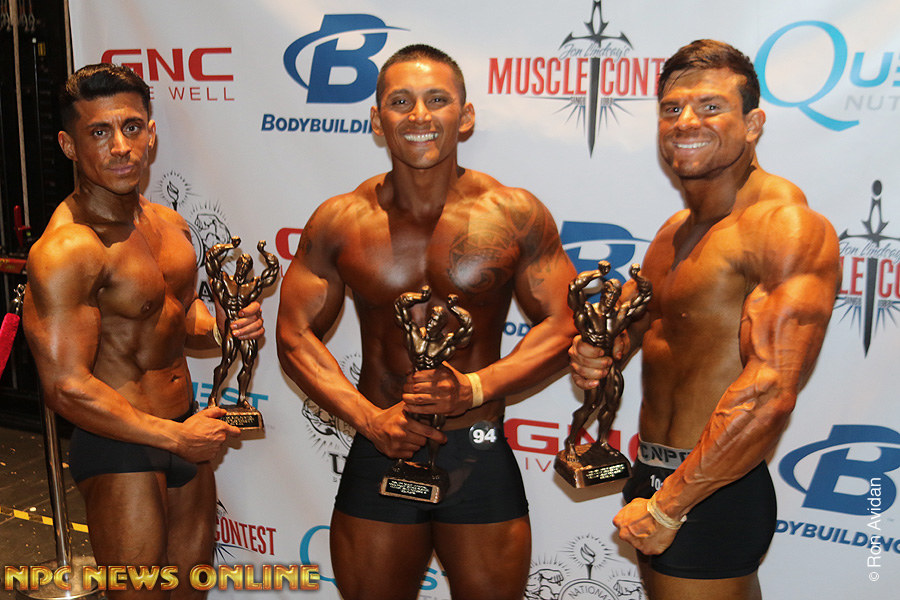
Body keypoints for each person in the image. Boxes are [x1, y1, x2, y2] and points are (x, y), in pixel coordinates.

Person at [276, 44, 576, 600]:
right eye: (401, 102)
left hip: (478, 445)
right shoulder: (341, 220)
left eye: (437, 100)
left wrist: (473, 388)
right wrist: (369, 421)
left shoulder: (514, 213)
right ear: (377, 120)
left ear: (465, 116)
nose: (419, 115)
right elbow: (293, 336)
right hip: (382, 444)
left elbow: (564, 324)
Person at [568, 40, 840, 600]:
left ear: (753, 124)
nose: (686, 121)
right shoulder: (674, 232)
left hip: (708, 487)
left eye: (711, 107)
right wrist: (597, 353)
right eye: (672, 108)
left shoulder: (783, 225)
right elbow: (635, 334)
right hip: (653, 472)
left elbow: (769, 395)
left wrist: (670, 506)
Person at [22, 63, 264, 599]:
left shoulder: (169, 226)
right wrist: (174, 437)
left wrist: (224, 329)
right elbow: (65, 387)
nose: (120, 147)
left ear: (151, 134)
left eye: (131, 127)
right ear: (68, 145)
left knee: (189, 592)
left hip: (185, 427)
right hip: (122, 447)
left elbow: (179, 317)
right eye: (99, 132)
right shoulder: (68, 249)